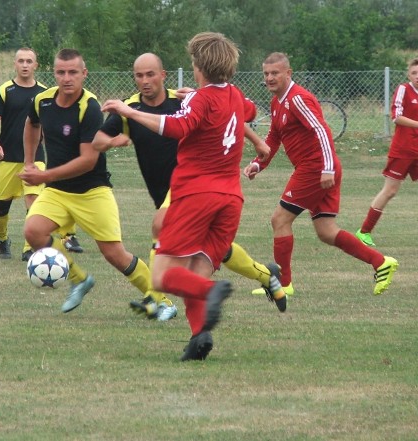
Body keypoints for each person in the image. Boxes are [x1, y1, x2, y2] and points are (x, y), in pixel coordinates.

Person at [101, 32, 261, 362]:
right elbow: (250, 111)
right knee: (195, 273)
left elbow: (176, 127)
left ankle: (213, 292)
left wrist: (129, 112)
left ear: (199, 66)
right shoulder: (233, 93)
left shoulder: (198, 100)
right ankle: (198, 339)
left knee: (162, 275)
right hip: (230, 199)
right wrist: (199, 97)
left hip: (196, 196)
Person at [93, 52, 287, 323]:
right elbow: (98, 141)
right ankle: (267, 276)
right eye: (139, 75)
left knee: (160, 225)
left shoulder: (183, 99)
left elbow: (224, 116)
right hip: (166, 190)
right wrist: (113, 142)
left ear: (164, 75)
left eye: (151, 74)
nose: (145, 80)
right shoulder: (130, 107)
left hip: (190, 186)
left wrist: (255, 140)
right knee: (220, 250)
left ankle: (157, 299)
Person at [244, 52, 398, 298]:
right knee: (326, 231)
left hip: (315, 168)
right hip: (317, 168)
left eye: (275, 73)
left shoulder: (298, 99)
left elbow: (322, 131)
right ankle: (381, 262)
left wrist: (326, 167)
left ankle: (283, 285)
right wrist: (258, 164)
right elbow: (274, 137)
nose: (270, 78)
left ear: (288, 73)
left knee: (279, 220)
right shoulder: (278, 102)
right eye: (266, 73)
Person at [19, 48, 156, 315]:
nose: (66, 78)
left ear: (84, 74)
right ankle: (79, 281)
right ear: (54, 73)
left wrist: (43, 175)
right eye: (60, 72)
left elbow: (87, 161)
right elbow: (31, 124)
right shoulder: (42, 101)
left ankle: (161, 300)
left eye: (72, 72)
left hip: (92, 191)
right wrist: (28, 161)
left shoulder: (90, 108)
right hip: (57, 191)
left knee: (115, 255)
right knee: (33, 231)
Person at [0, 48, 83, 262]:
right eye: (21, 60)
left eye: (29, 61)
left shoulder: (45, 94)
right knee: (0, 207)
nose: (25, 65)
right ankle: (2, 240)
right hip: (7, 158)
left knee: (34, 202)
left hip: (35, 158)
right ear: (15, 64)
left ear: (36, 65)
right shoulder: (5, 90)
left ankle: (29, 248)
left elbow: (51, 124)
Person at [355, 57, 418, 247]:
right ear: (408, 74)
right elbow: (396, 117)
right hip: (403, 150)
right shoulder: (403, 90)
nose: (417, 76)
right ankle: (364, 232)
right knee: (390, 191)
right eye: (414, 73)